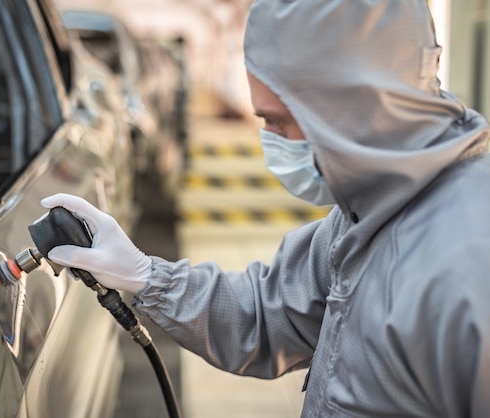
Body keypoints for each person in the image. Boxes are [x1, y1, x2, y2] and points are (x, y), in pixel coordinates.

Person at [41, 0, 490, 416]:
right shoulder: (370, 213)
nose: (270, 139)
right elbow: (268, 313)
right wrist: (147, 277)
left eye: (278, 120)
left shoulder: (468, 265)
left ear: (350, 107)